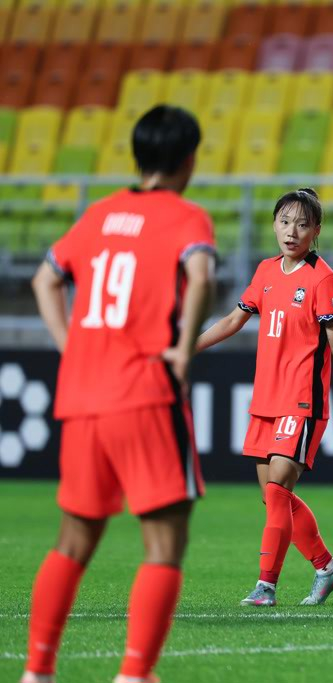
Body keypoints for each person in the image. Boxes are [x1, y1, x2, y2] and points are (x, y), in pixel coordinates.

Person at [22, 105, 215, 683]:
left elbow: (44, 278)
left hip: (83, 396)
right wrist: (183, 349)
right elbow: (201, 277)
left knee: (73, 538)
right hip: (145, 392)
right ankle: (134, 673)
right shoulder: (186, 217)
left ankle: (37, 670)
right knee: (164, 540)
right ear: (188, 160)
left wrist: (70, 347)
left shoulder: (99, 213)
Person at [195, 188, 333, 607]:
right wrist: (188, 347)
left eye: (302, 224)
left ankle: (265, 586)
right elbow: (234, 319)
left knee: (276, 493)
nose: (292, 231)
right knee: (275, 498)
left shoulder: (324, 280)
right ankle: (327, 568)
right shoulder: (266, 271)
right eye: (285, 222)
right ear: (274, 225)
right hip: (266, 400)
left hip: (302, 400)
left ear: (316, 230)